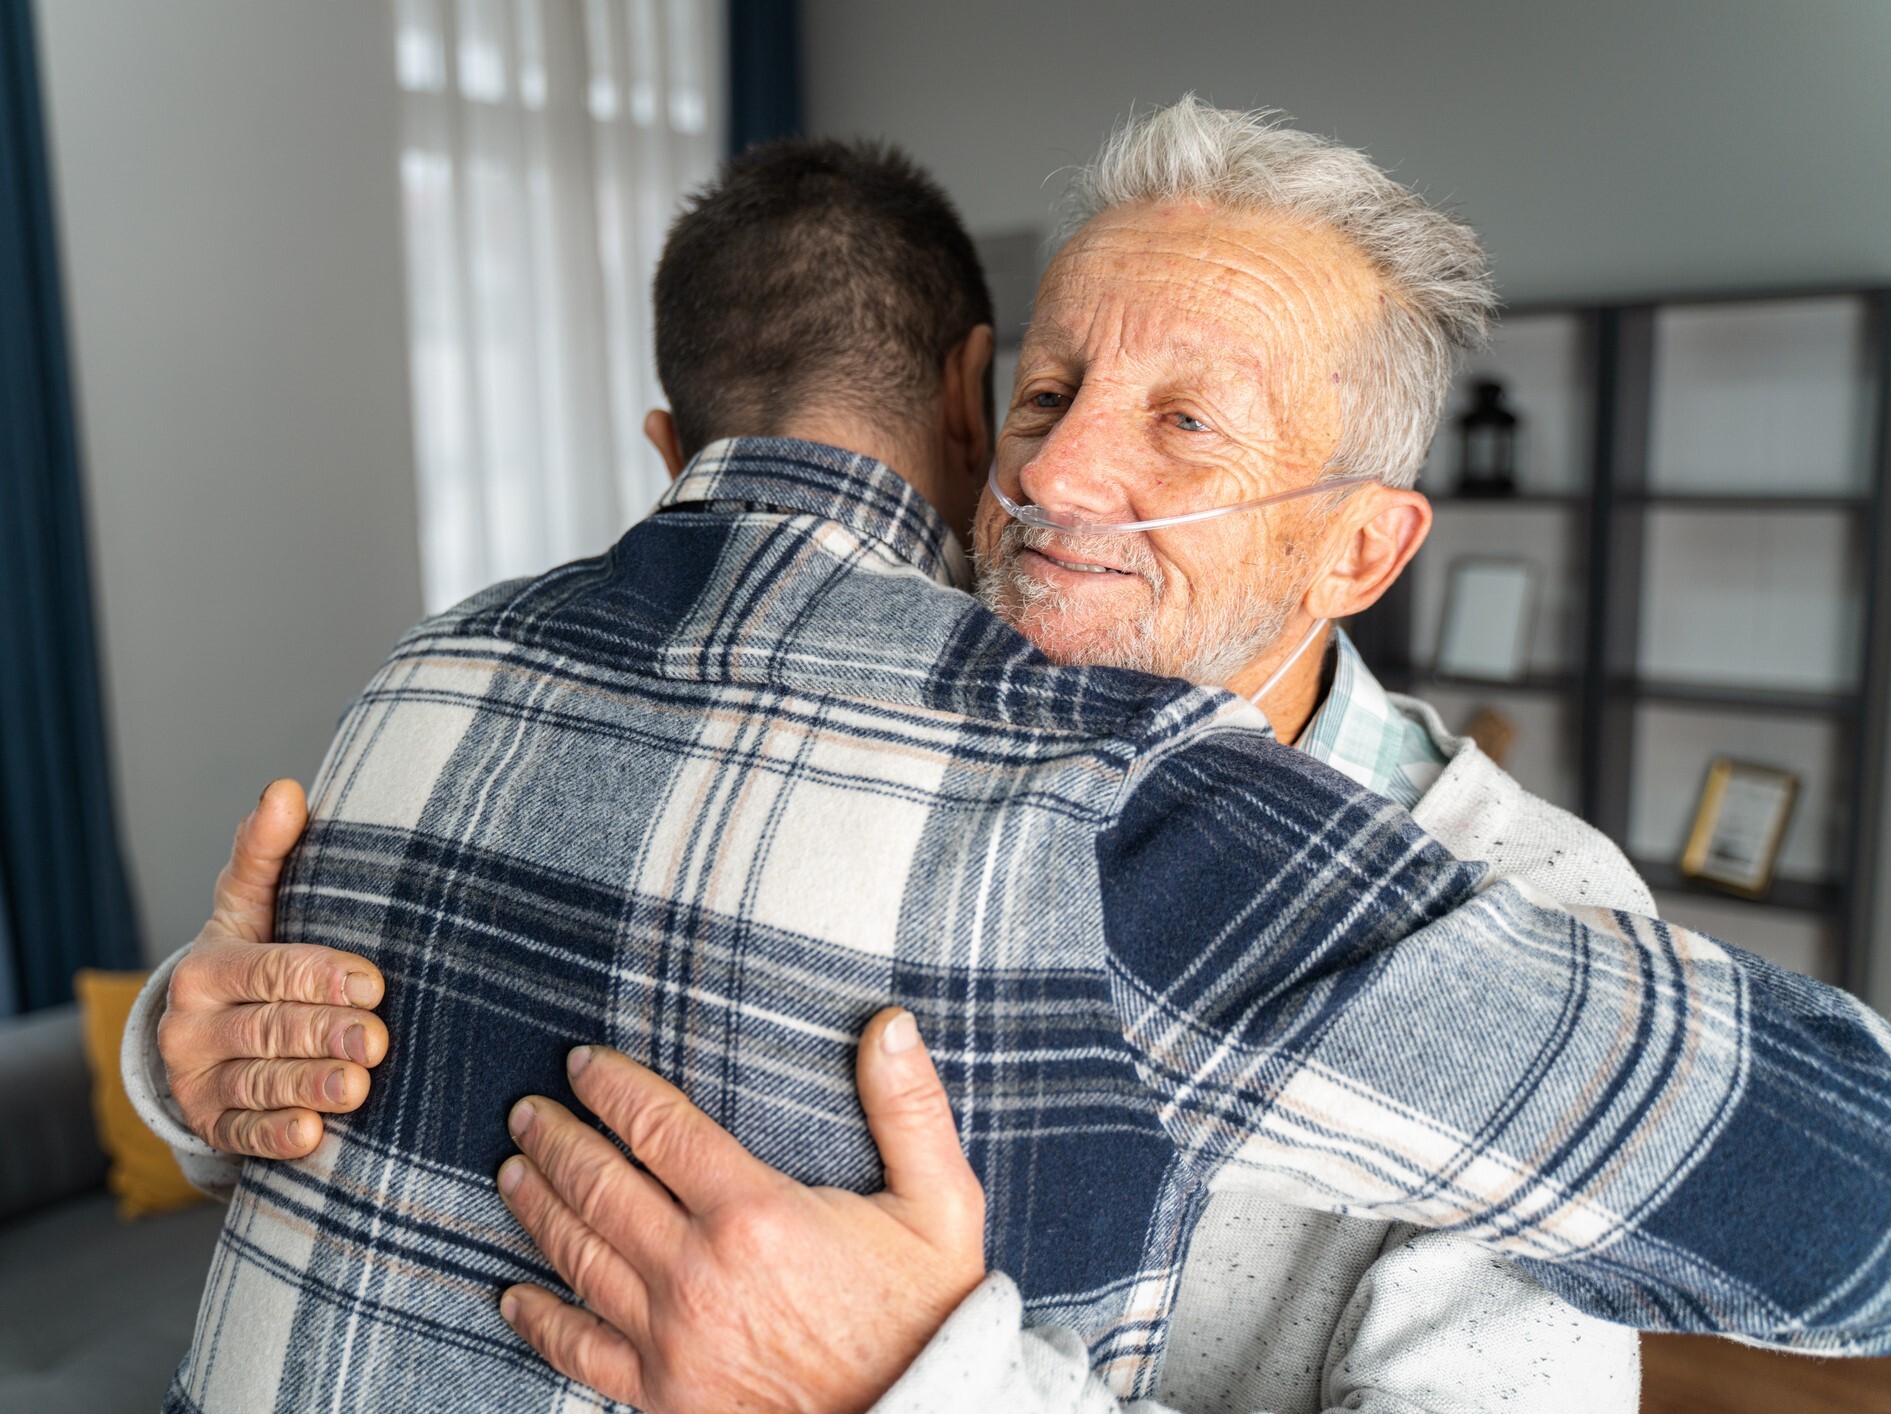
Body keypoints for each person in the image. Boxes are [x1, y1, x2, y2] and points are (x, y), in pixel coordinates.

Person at [130, 109, 1891, 1414]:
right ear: (975, 407)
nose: (1056, 483)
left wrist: (908, 1380)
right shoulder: (876, 729)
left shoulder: (1525, 902)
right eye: (1048, 400)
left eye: (1182, 425)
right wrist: (196, 1056)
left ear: (1363, 548)